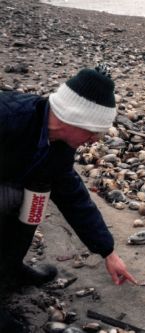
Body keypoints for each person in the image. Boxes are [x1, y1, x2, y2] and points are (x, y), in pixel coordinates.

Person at [0, 64, 137, 331]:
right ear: (70, 119)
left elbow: (74, 197)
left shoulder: (59, 146)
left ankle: (9, 267)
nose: (94, 140)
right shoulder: (8, 117)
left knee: (36, 198)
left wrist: (107, 251)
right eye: (91, 132)